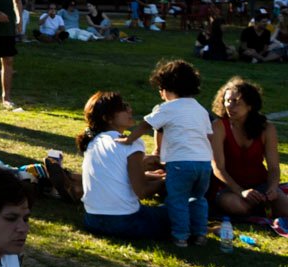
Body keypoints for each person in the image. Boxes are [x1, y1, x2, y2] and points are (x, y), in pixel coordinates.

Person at [119, 60, 213, 247]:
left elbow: (146, 125)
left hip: (180, 163)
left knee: (177, 199)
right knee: (198, 198)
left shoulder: (168, 108)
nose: (160, 94)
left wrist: (129, 139)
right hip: (204, 163)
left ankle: (180, 236)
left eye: (160, 89)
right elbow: (208, 135)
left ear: (168, 88)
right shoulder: (200, 109)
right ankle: (200, 233)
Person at [77, 91, 167, 240]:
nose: (130, 110)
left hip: (92, 220)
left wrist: (150, 176)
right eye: (123, 108)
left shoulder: (93, 142)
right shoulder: (131, 143)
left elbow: (116, 176)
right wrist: (166, 181)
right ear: (107, 118)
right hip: (126, 222)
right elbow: (142, 191)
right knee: (183, 209)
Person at [209, 78, 288, 221]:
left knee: (285, 207)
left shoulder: (267, 128)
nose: (230, 106)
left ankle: (263, 206)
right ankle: (261, 208)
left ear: (250, 106)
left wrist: (272, 188)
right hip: (228, 188)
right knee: (239, 207)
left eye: (236, 102)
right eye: (227, 101)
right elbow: (218, 168)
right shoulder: (218, 126)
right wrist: (241, 192)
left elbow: (274, 168)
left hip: (260, 185)